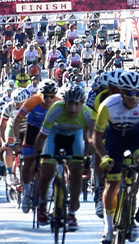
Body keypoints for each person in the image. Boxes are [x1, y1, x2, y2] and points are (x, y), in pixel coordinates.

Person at [94, 71, 139, 244]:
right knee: (113, 185)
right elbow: (96, 137)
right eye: (130, 93)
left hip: (135, 134)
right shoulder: (108, 105)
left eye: (138, 93)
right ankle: (107, 233)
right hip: (114, 137)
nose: (135, 97)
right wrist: (104, 156)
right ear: (121, 93)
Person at [34, 85, 94, 232]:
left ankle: (72, 214)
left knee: (77, 174)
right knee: (47, 172)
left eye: (77, 104)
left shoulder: (88, 114)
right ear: (64, 102)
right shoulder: (56, 109)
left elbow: (91, 140)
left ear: (82, 103)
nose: (73, 109)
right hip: (55, 136)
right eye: (70, 104)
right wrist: (37, 157)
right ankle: (42, 204)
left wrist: (86, 158)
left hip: (75, 137)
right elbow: (42, 136)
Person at [16, 80, 61, 222]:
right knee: (28, 162)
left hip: (51, 133)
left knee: (51, 161)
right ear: (40, 94)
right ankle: (27, 194)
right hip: (33, 131)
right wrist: (17, 140)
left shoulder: (59, 104)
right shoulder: (32, 101)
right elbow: (17, 120)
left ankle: (48, 188)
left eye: (51, 96)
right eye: (45, 96)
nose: (48, 99)